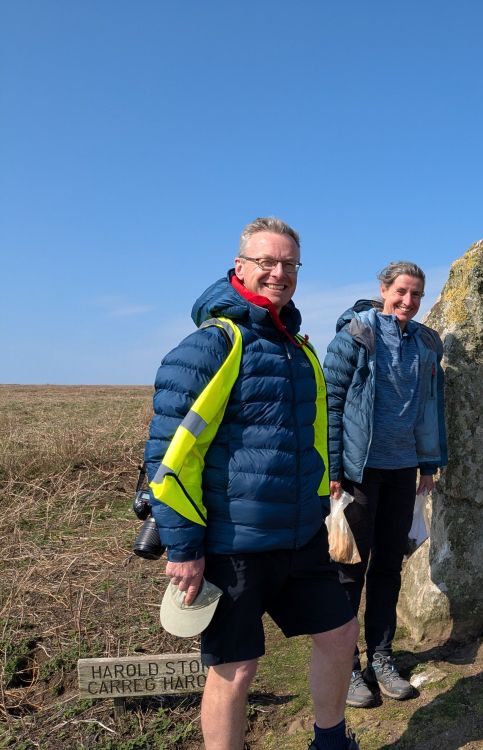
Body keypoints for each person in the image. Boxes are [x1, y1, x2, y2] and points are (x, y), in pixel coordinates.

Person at [144, 217, 361, 750]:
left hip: (302, 536)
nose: (278, 273)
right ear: (240, 266)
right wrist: (184, 546)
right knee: (235, 672)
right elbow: (169, 458)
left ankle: (331, 742)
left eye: (289, 263)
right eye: (266, 262)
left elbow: (312, 440)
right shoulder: (211, 345)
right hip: (232, 543)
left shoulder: (300, 349)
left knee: (339, 635)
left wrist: (325, 500)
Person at [323, 261, 447, 708]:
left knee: (389, 569)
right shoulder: (356, 335)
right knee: (348, 570)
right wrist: (333, 469)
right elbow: (330, 401)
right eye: (401, 292)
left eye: (416, 295)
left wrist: (429, 464)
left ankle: (381, 657)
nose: (408, 302)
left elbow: (432, 407)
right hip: (358, 472)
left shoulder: (425, 343)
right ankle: (348, 666)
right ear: (383, 290)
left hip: (402, 471)